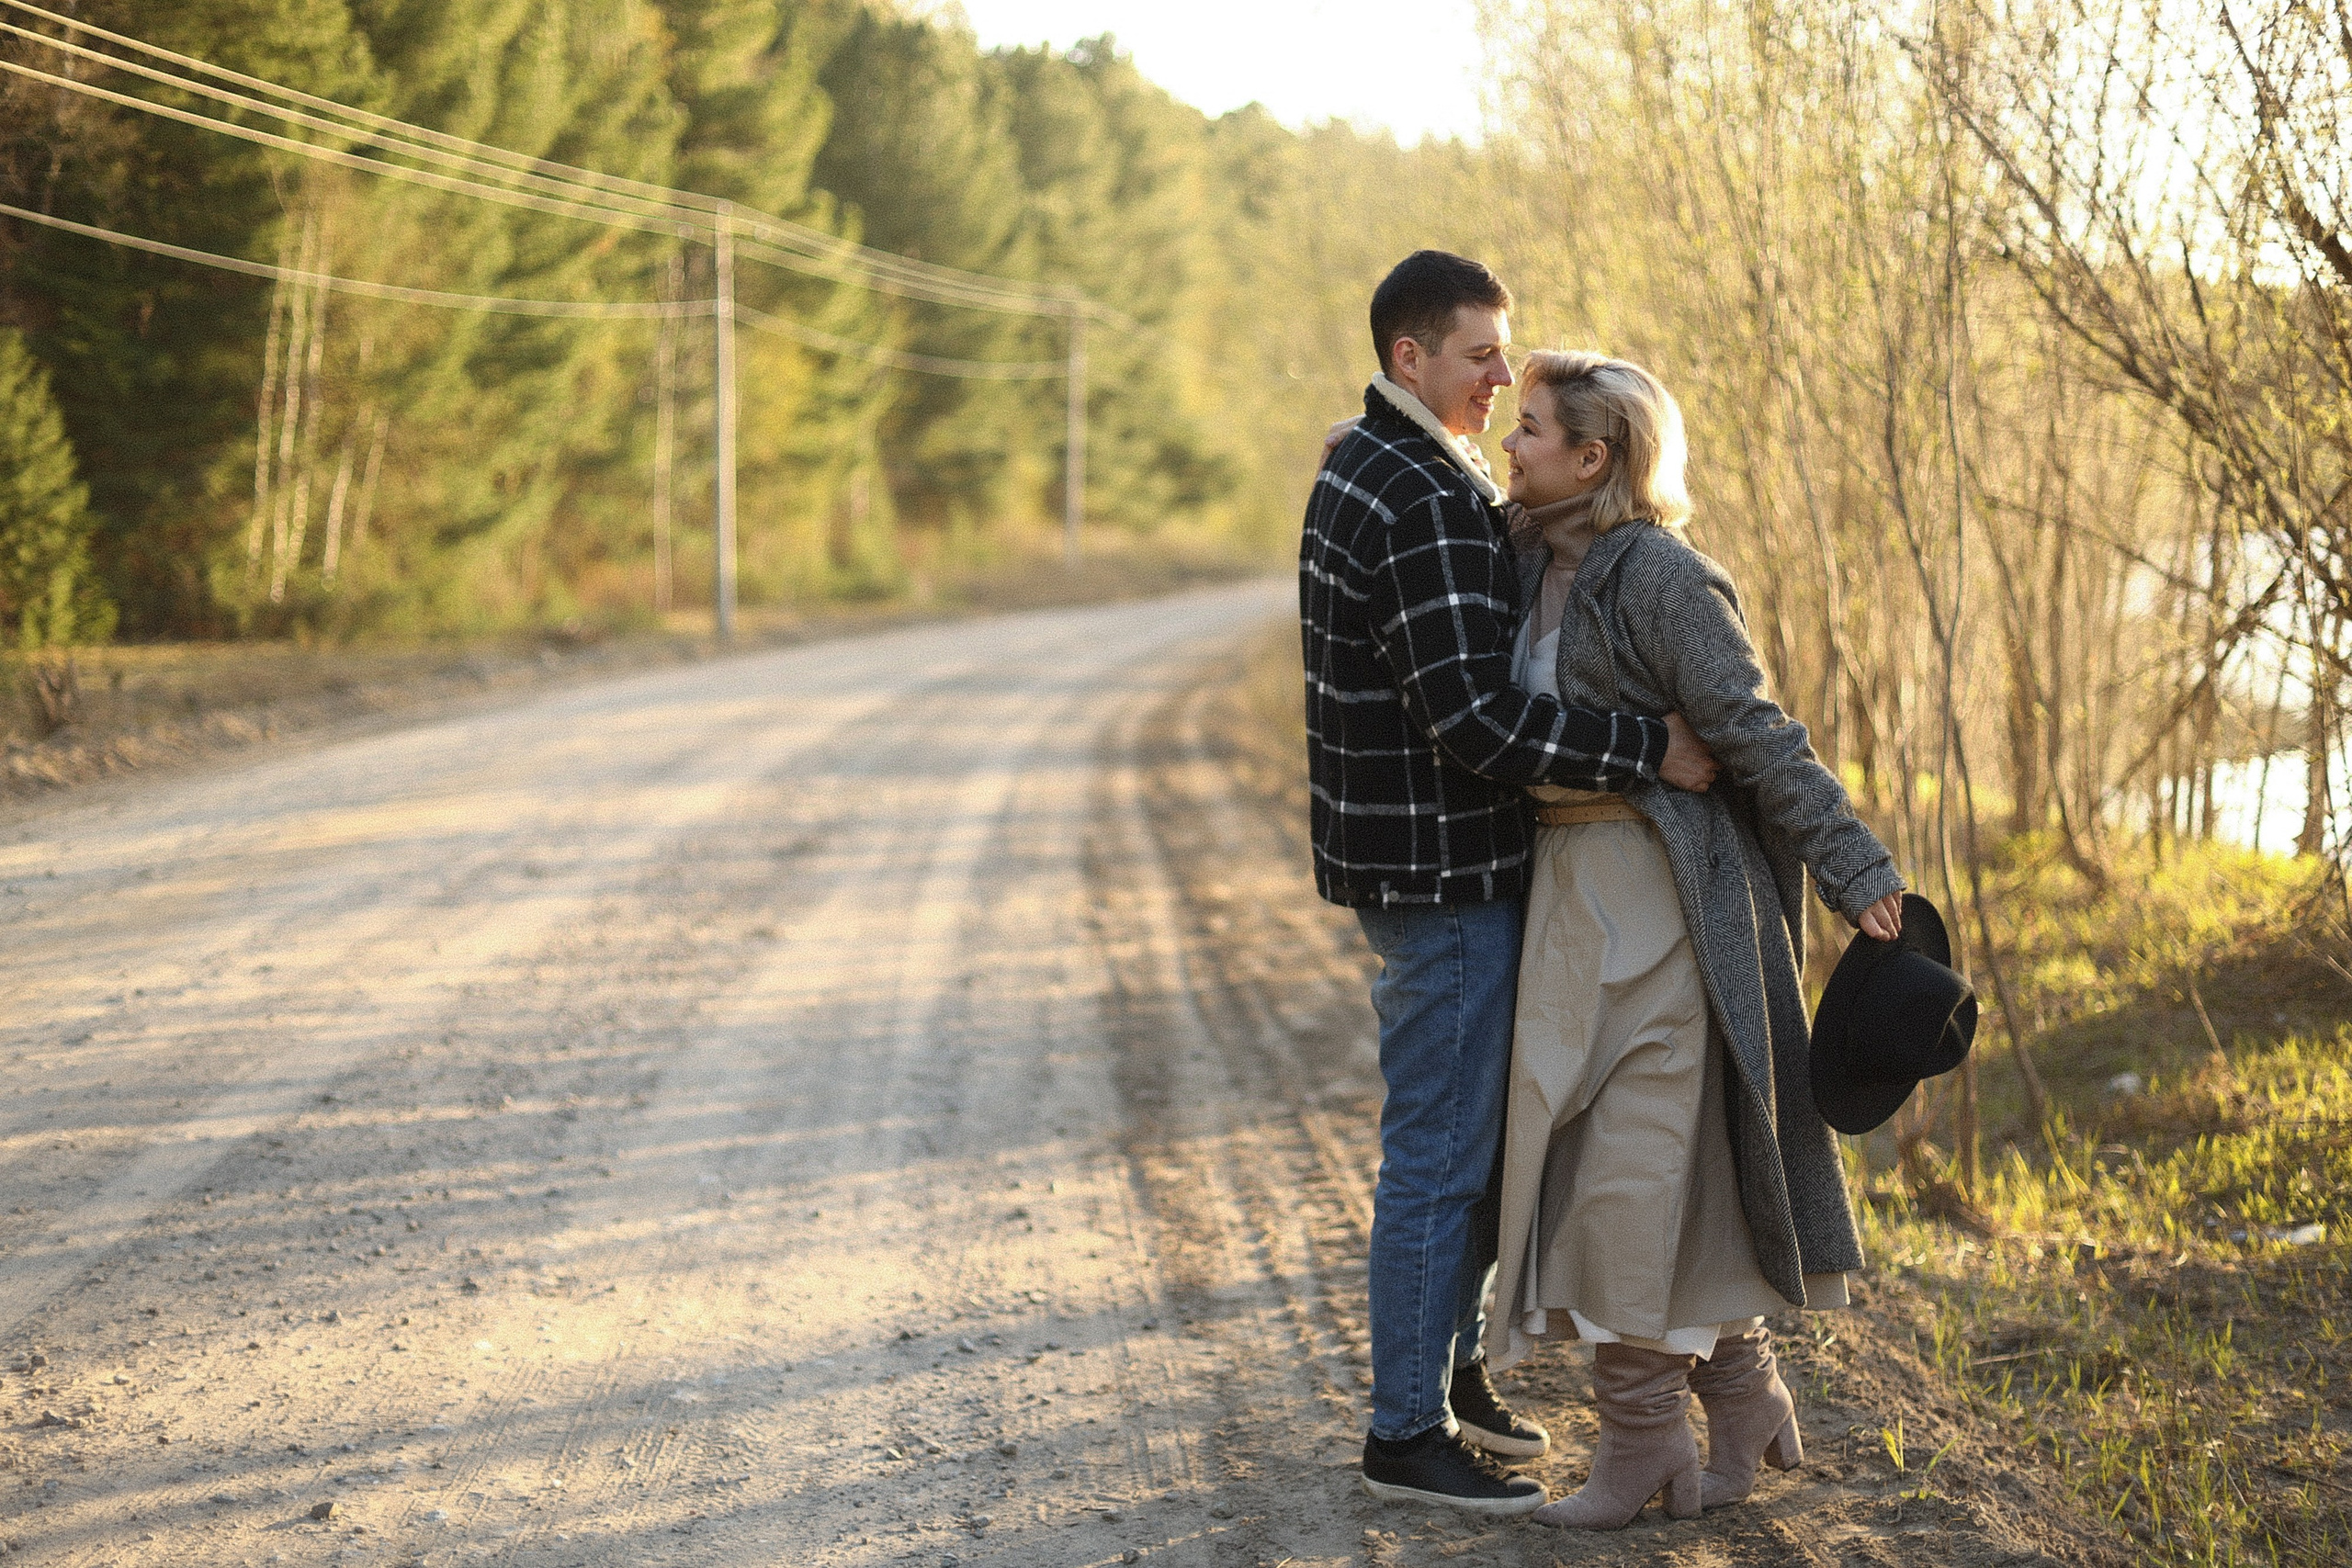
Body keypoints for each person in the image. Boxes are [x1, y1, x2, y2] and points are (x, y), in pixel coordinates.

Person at [1299, 252, 1720, 1517]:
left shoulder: (1393, 466)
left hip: (1422, 862)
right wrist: (1646, 748)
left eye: (1505, 351)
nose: (1500, 372)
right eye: (1480, 353)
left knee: (1470, 1143)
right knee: (1437, 1152)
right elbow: (1474, 715)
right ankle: (1404, 1428)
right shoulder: (1416, 490)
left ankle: (1455, 1374)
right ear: (1410, 359)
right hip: (1441, 871)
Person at [1483, 349, 1905, 1529]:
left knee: (1632, 1178)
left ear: (1591, 457)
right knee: (1609, 1170)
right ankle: (1742, 1390)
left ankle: (1640, 1446)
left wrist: (1854, 868)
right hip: (1566, 899)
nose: (1507, 447)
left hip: (1666, 904)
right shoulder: (1519, 558)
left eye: (1529, 430)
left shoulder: (1664, 578)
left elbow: (1758, 733)